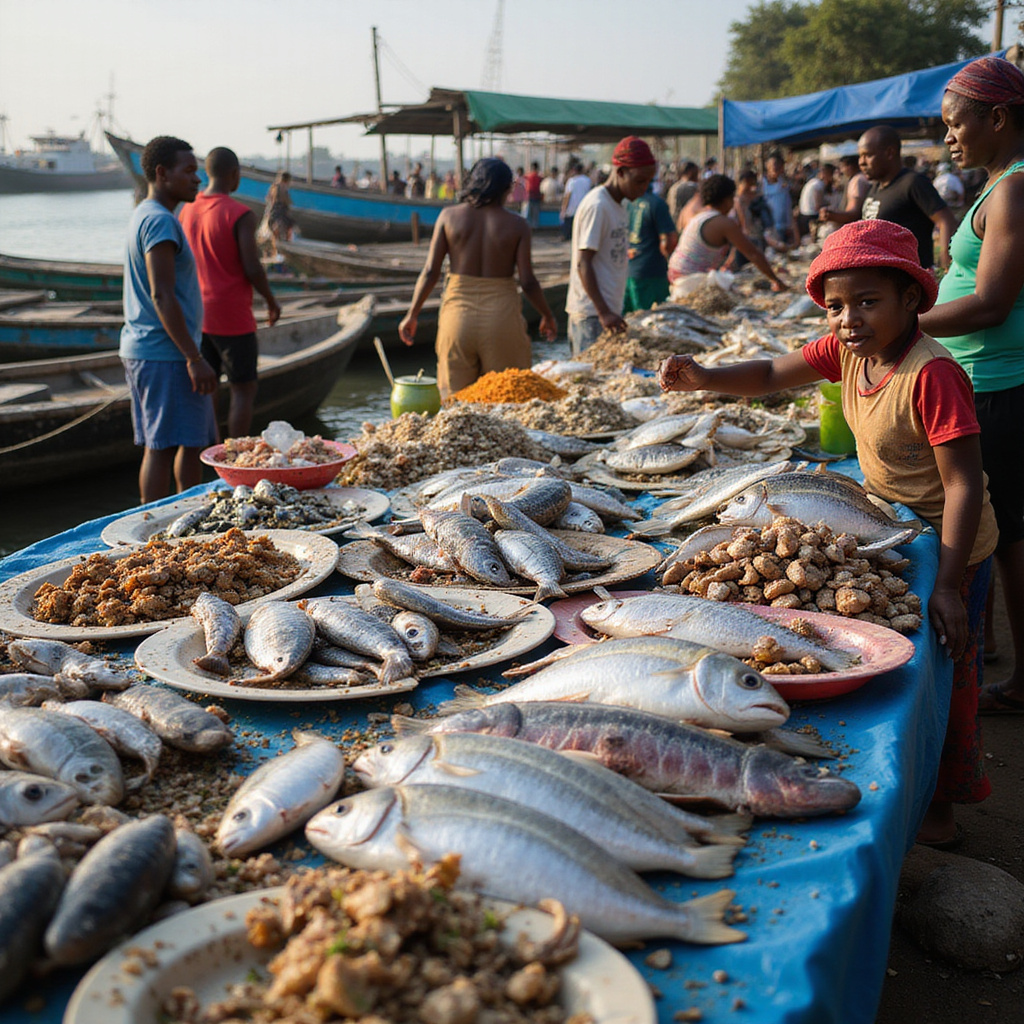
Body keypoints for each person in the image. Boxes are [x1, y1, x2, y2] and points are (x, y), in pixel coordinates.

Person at [658, 219, 998, 849]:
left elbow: (963, 486)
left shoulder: (932, 374)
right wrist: (704, 377)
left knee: (951, 670)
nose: (849, 320)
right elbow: (769, 374)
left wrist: (950, 585)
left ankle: (944, 807)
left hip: (953, 541)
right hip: (890, 524)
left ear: (911, 299)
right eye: (836, 306)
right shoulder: (849, 352)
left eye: (867, 302)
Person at [917, 55, 1024, 714]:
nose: (949, 137)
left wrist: (906, 324)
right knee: (1004, 532)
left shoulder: (1013, 189)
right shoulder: (999, 186)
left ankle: (1018, 682)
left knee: (1007, 536)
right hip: (984, 379)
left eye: (957, 124)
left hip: (997, 385)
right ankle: (986, 649)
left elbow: (990, 302)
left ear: (999, 118)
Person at [398, 158, 557, 397]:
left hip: (457, 321)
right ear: (507, 188)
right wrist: (547, 315)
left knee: (456, 404)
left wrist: (412, 315)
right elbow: (528, 282)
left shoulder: (448, 217)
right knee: (507, 400)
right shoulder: (518, 225)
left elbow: (430, 272)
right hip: (502, 321)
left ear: (472, 182)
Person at [119, 136, 218, 505]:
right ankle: (159, 524)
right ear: (162, 173)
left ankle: (176, 519)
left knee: (174, 444)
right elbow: (162, 294)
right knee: (168, 446)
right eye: (188, 171)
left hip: (150, 349)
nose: (197, 179)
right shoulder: (159, 221)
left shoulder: (145, 214)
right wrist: (194, 357)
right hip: (166, 353)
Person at [179, 146, 282, 439]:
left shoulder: (187, 210)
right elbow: (252, 267)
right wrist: (271, 301)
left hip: (198, 314)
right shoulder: (240, 214)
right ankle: (235, 453)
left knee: (208, 387)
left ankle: (209, 448)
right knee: (243, 388)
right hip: (232, 316)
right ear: (235, 174)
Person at [565, 137, 658, 355]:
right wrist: (604, 312)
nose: (644, 188)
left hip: (607, 312)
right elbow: (583, 263)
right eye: (639, 181)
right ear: (621, 172)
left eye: (648, 182)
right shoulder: (598, 205)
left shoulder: (619, 205)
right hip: (591, 314)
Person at [857, 125, 956, 270]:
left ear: (889, 153)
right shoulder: (876, 187)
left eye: (868, 155)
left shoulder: (912, 183)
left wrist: (947, 267)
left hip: (910, 275)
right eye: (860, 156)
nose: (861, 162)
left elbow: (946, 220)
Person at [667, 174, 788, 292]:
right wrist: (776, 280)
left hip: (676, 274)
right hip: (689, 281)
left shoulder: (701, 216)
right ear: (726, 199)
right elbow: (753, 253)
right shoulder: (723, 223)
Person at [623, 183, 677, 312]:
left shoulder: (626, 202)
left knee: (630, 318)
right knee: (653, 318)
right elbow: (668, 241)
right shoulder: (657, 203)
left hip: (628, 270)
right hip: (652, 273)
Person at [820, 154, 872, 231]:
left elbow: (854, 214)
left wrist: (832, 216)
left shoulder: (857, 181)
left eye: (842, 167)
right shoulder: (858, 178)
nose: (841, 171)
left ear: (850, 167)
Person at [761, 154, 796, 247]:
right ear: (767, 165)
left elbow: (787, 206)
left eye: (779, 165)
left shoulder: (784, 184)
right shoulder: (761, 185)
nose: (776, 167)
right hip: (769, 230)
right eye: (774, 164)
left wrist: (790, 226)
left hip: (784, 228)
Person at [797, 163, 836, 240]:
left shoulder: (813, 182)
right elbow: (818, 206)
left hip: (804, 216)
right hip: (810, 217)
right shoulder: (818, 185)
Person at [260, 171, 294, 256]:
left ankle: (276, 251)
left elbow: (268, 199)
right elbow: (287, 201)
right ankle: (285, 250)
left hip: (272, 212)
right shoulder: (283, 188)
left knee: (275, 234)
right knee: (288, 228)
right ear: (287, 180)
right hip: (281, 212)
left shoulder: (273, 187)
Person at [560, 161, 592, 241]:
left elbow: (567, 196)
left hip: (571, 209)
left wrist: (564, 208)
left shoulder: (571, 181)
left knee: (569, 228)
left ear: (574, 170)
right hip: (583, 208)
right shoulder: (587, 180)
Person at [666, 161, 700, 226]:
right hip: (684, 224)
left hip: (672, 222)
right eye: (697, 173)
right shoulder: (691, 187)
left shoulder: (674, 187)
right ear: (690, 172)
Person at [522, 161, 542, 228]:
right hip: (537, 198)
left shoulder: (527, 176)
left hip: (528, 197)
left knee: (527, 214)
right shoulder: (539, 178)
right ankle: (534, 228)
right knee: (535, 216)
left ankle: (526, 228)